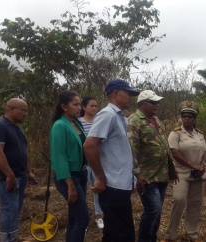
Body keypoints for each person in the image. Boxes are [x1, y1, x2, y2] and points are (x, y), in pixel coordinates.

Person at [84, 79, 139, 242]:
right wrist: (100, 177)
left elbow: (119, 151)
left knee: (114, 233)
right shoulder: (107, 115)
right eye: (128, 93)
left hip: (120, 185)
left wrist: (132, 180)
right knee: (123, 235)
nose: (130, 97)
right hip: (113, 186)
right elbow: (89, 145)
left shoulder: (120, 117)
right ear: (116, 93)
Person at [128, 90, 178, 242]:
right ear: (142, 104)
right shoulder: (134, 121)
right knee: (153, 209)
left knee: (157, 211)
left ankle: (152, 238)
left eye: (158, 102)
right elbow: (131, 150)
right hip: (147, 176)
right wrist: (138, 174)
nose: (157, 105)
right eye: (153, 102)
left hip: (161, 174)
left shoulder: (156, 120)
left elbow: (164, 147)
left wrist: (172, 171)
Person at [161, 101, 206, 242]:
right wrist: (192, 165)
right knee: (179, 200)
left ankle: (191, 234)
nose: (186, 119)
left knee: (195, 203)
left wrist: (203, 165)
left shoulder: (199, 134)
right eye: (184, 116)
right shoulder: (176, 134)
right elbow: (174, 153)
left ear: (194, 119)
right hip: (181, 174)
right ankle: (171, 235)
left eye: (189, 117)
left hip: (198, 175)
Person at [50, 91, 90, 242]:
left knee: (75, 217)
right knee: (83, 218)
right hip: (69, 177)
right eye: (76, 104)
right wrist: (70, 185)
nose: (79, 107)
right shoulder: (60, 126)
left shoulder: (76, 122)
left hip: (81, 173)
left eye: (80, 104)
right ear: (64, 107)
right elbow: (59, 156)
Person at [0, 98, 37, 242]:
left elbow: (22, 152)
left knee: (16, 209)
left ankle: (13, 236)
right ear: (11, 108)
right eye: (23, 110)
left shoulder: (18, 128)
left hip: (21, 175)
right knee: (9, 208)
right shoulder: (1, 125)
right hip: (7, 177)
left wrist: (28, 172)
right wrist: (9, 174)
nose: (25, 114)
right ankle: (7, 239)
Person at [79, 96, 104, 229]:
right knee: (81, 191)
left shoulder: (100, 122)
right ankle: (81, 217)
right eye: (91, 106)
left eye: (96, 106)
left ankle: (99, 216)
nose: (94, 108)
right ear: (83, 107)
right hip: (83, 163)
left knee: (98, 189)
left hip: (96, 162)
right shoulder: (78, 123)